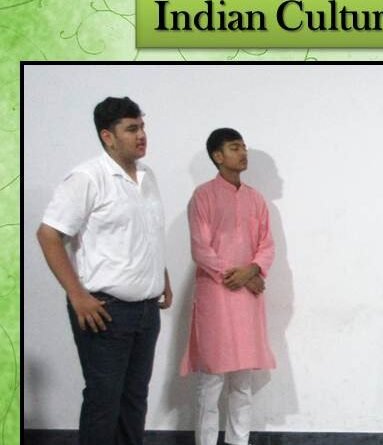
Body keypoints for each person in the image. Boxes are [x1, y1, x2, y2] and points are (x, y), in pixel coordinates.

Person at [36, 96, 173, 445]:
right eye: (131, 129)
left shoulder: (147, 176)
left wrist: (162, 276)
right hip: (105, 310)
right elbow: (48, 235)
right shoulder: (87, 178)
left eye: (142, 126)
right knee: (104, 400)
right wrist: (77, 295)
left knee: (134, 400)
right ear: (107, 136)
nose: (141, 135)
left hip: (146, 311)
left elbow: (146, 231)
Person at [179, 128, 276, 445]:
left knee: (242, 383)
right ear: (217, 156)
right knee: (211, 382)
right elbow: (201, 249)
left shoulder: (256, 199)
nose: (243, 153)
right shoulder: (203, 196)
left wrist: (252, 270)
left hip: (247, 299)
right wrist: (239, 274)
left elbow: (266, 246)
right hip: (217, 297)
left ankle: (238, 441)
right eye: (235, 148)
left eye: (244, 147)